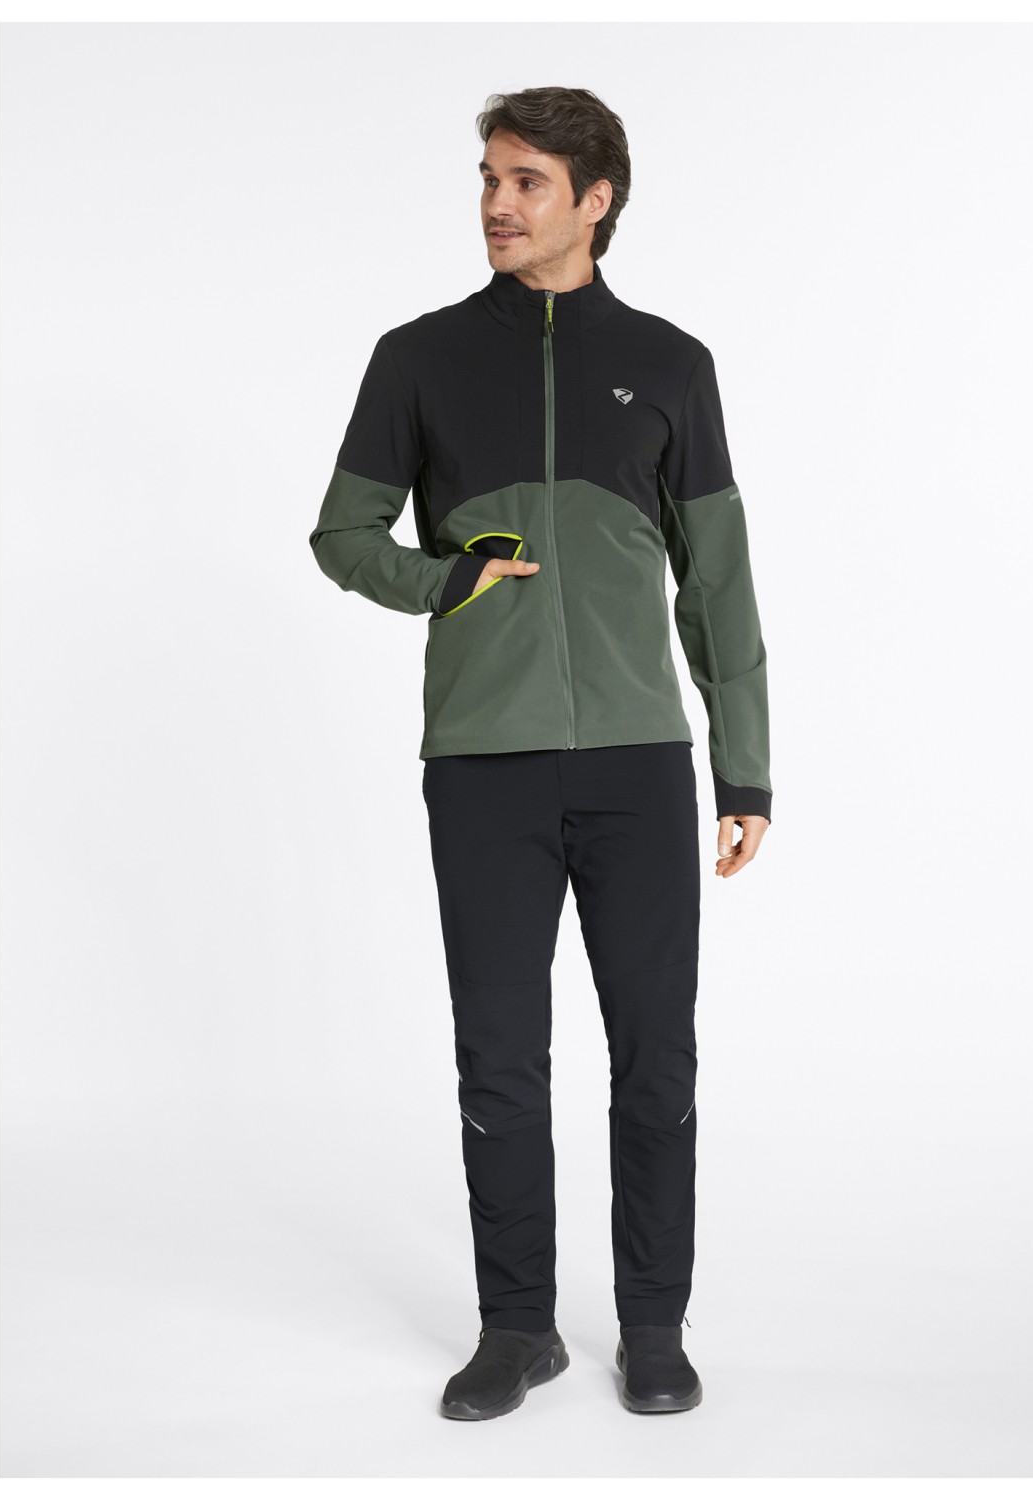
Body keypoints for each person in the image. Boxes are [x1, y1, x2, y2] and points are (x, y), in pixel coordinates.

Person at [308, 86, 773, 1419]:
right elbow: (343, 537)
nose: (497, 204)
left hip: (638, 762)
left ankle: (654, 1328)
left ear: (595, 200)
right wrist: (443, 580)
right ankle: (517, 1326)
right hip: (483, 762)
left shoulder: (672, 364)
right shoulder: (419, 358)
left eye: (526, 181)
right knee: (500, 1059)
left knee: (656, 1059)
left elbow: (719, 584)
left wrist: (743, 770)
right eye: (488, 177)